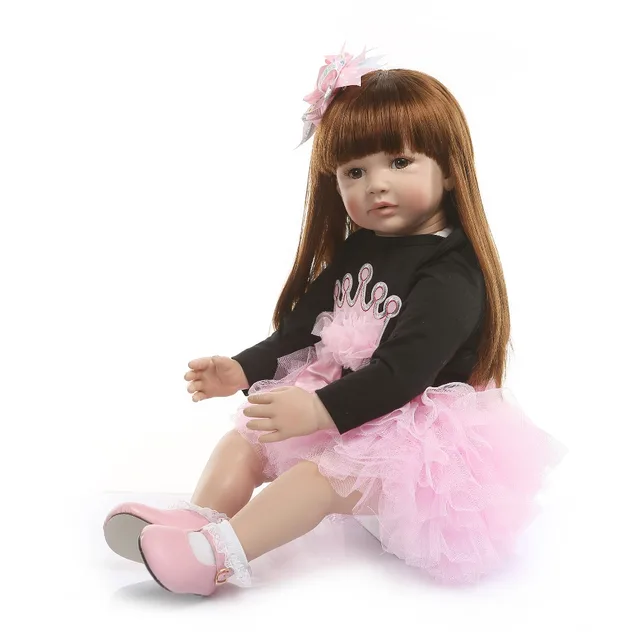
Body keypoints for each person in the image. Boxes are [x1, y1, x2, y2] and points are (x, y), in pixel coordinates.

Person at [103, 44, 567, 596]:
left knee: (317, 480)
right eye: (355, 171)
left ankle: (214, 558)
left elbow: (404, 372)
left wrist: (318, 409)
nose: (375, 184)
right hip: (352, 408)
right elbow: (301, 331)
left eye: (399, 162)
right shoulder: (359, 248)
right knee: (245, 440)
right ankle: (197, 519)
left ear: (449, 170)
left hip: (418, 443)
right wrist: (242, 370)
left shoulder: (452, 271)